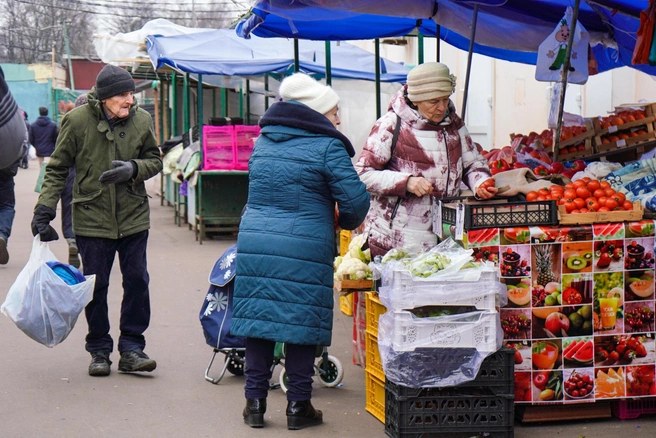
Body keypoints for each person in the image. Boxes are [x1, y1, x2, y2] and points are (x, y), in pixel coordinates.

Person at [231, 73, 370, 430]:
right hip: (305, 242)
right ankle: (298, 407)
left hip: (256, 239)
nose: (338, 119)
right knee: (301, 322)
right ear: (318, 112)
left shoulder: (263, 142)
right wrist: (341, 220)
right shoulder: (327, 146)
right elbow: (354, 202)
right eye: (334, 111)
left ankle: (255, 405)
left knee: (260, 321)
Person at [31, 64, 163, 377]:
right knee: (96, 286)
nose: (129, 100)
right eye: (122, 94)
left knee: (137, 281)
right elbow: (58, 167)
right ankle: (100, 350)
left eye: (131, 93)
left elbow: (154, 160)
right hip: (92, 219)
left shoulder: (142, 120)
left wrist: (133, 168)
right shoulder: (76, 121)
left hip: (133, 216)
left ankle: (132, 348)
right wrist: (44, 209)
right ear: (104, 97)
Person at [355, 62, 497, 258]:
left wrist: (480, 182)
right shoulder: (390, 125)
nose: (441, 108)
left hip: (446, 236)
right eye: (433, 101)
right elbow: (363, 174)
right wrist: (406, 182)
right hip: (397, 241)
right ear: (417, 99)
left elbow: (472, 163)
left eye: (445, 100)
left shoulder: (455, 126)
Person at [0, 66, 28, 265]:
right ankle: (1, 235)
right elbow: (23, 142)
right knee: (7, 204)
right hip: (6, 166)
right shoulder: (15, 116)